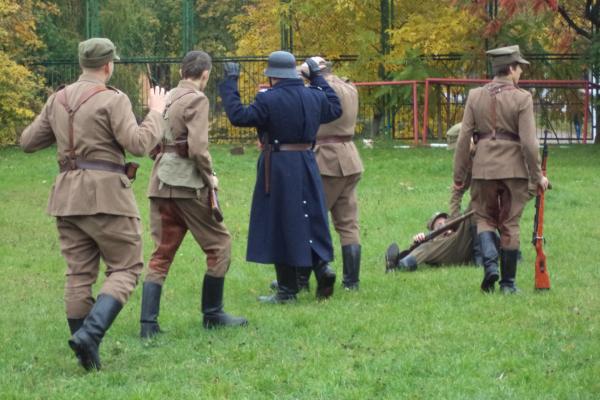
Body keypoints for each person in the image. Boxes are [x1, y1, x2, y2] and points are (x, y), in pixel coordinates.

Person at [20, 38, 167, 370]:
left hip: (66, 198)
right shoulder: (113, 100)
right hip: (107, 197)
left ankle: (86, 353)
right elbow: (139, 144)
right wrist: (156, 113)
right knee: (126, 267)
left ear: (83, 63)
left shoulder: (57, 99)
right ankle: (90, 336)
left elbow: (28, 142)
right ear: (108, 65)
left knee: (78, 274)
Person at [218, 51, 342, 303]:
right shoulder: (313, 96)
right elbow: (335, 108)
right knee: (308, 216)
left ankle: (287, 290)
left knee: (281, 222)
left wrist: (230, 83)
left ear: (273, 76)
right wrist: (317, 76)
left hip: (278, 166)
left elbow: (239, 116)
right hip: (307, 162)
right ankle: (321, 267)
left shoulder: (269, 100)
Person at [140, 51, 247, 339]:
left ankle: (148, 325)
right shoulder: (198, 100)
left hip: (160, 184)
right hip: (188, 185)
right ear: (205, 75)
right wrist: (209, 175)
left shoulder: (165, 98)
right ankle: (213, 314)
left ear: (181, 72)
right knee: (220, 244)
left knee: (161, 254)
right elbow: (199, 148)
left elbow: (149, 140)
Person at [453, 45, 549, 294]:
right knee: (510, 223)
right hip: (514, 170)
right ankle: (507, 284)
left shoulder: (475, 96)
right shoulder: (522, 98)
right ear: (511, 68)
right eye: (519, 68)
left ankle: (490, 268)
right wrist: (537, 175)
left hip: (483, 168)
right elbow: (529, 143)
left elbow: (464, 139)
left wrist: (459, 175)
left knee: (483, 218)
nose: (521, 74)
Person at [270, 56, 363, 291]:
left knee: (307, 220)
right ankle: (351, 282)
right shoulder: (350, 88)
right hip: (350, 157)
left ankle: (301, 279)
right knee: (348, 223)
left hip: (325, 158)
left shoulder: (319, 89)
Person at [385, 123, 484, 272]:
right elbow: (457, 190)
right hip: (465, 233)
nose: (457, 154)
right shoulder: (466, 162)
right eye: (438, 224)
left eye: (459, 149)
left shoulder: (485, 155)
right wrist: (453, 221)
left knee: (478, 203)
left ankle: (490, 256)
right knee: (477, 204)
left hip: (488, 214)